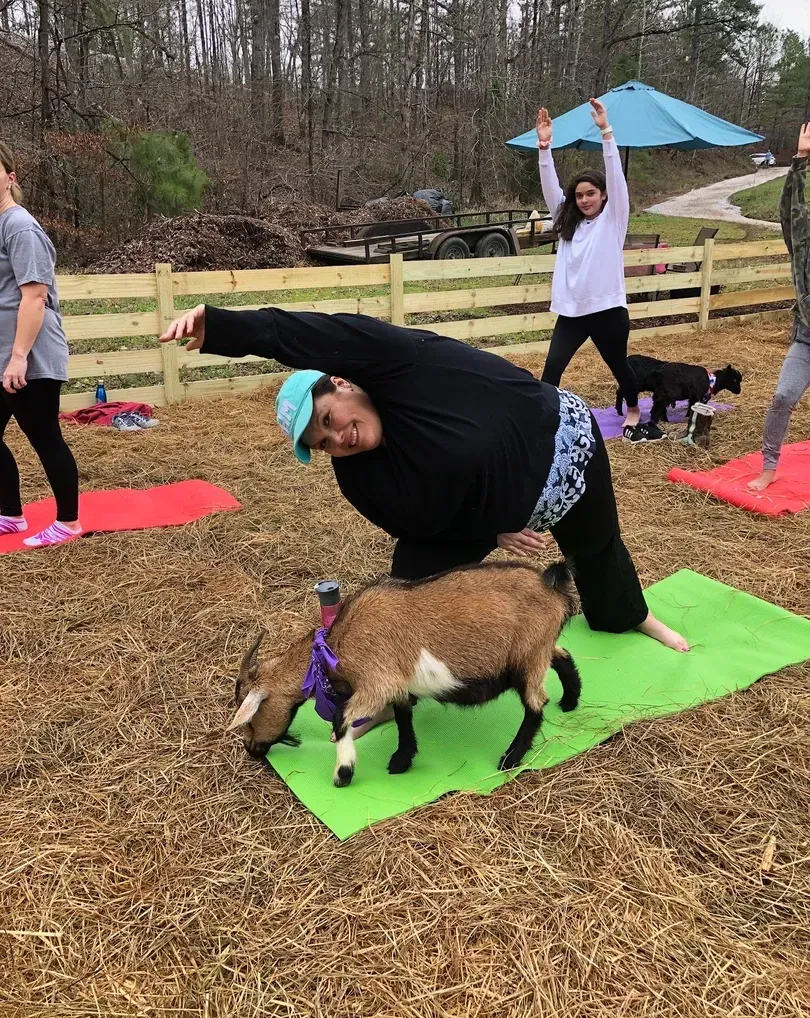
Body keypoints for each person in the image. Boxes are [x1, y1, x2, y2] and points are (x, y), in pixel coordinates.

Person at [160, 303, 690, 671]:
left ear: (342, 384)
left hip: (559, 441)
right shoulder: (359, 478)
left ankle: (631, 615)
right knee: (412, 576)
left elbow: (310, 333)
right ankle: (396, 679)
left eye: (328, 417)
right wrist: (495, 528)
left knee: (595, 546)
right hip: (498, 504)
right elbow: (424, 523)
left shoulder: (397, 364)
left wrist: (225, 329)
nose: (336, 438)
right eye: (321, 442)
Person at [535, 99, 664, 445]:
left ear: (604, 196)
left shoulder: (613, 220)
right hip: (573, 313)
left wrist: (607, 133)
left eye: (591, 193)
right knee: (552, 368)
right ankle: (541, 419)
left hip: (607, 311)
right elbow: (550, 188)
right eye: (579, 195)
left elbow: (618, 179)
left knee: (620, 367)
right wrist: (544, 149)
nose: (584, 200)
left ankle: (634, 410)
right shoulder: (567, 222)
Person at [0, 142, 81, 548]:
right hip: (3, 356)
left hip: (28, 356)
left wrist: (18, 358)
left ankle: (68, 522)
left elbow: (34, 296)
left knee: (45, 437)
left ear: (10, 177)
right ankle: (11, 514)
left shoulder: (20, 226)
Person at [748, 124, 810, 492]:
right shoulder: (805, 254)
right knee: (784, 396)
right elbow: (793, 218)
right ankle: (769, 466)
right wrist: (801, 161)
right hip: (807, 338)